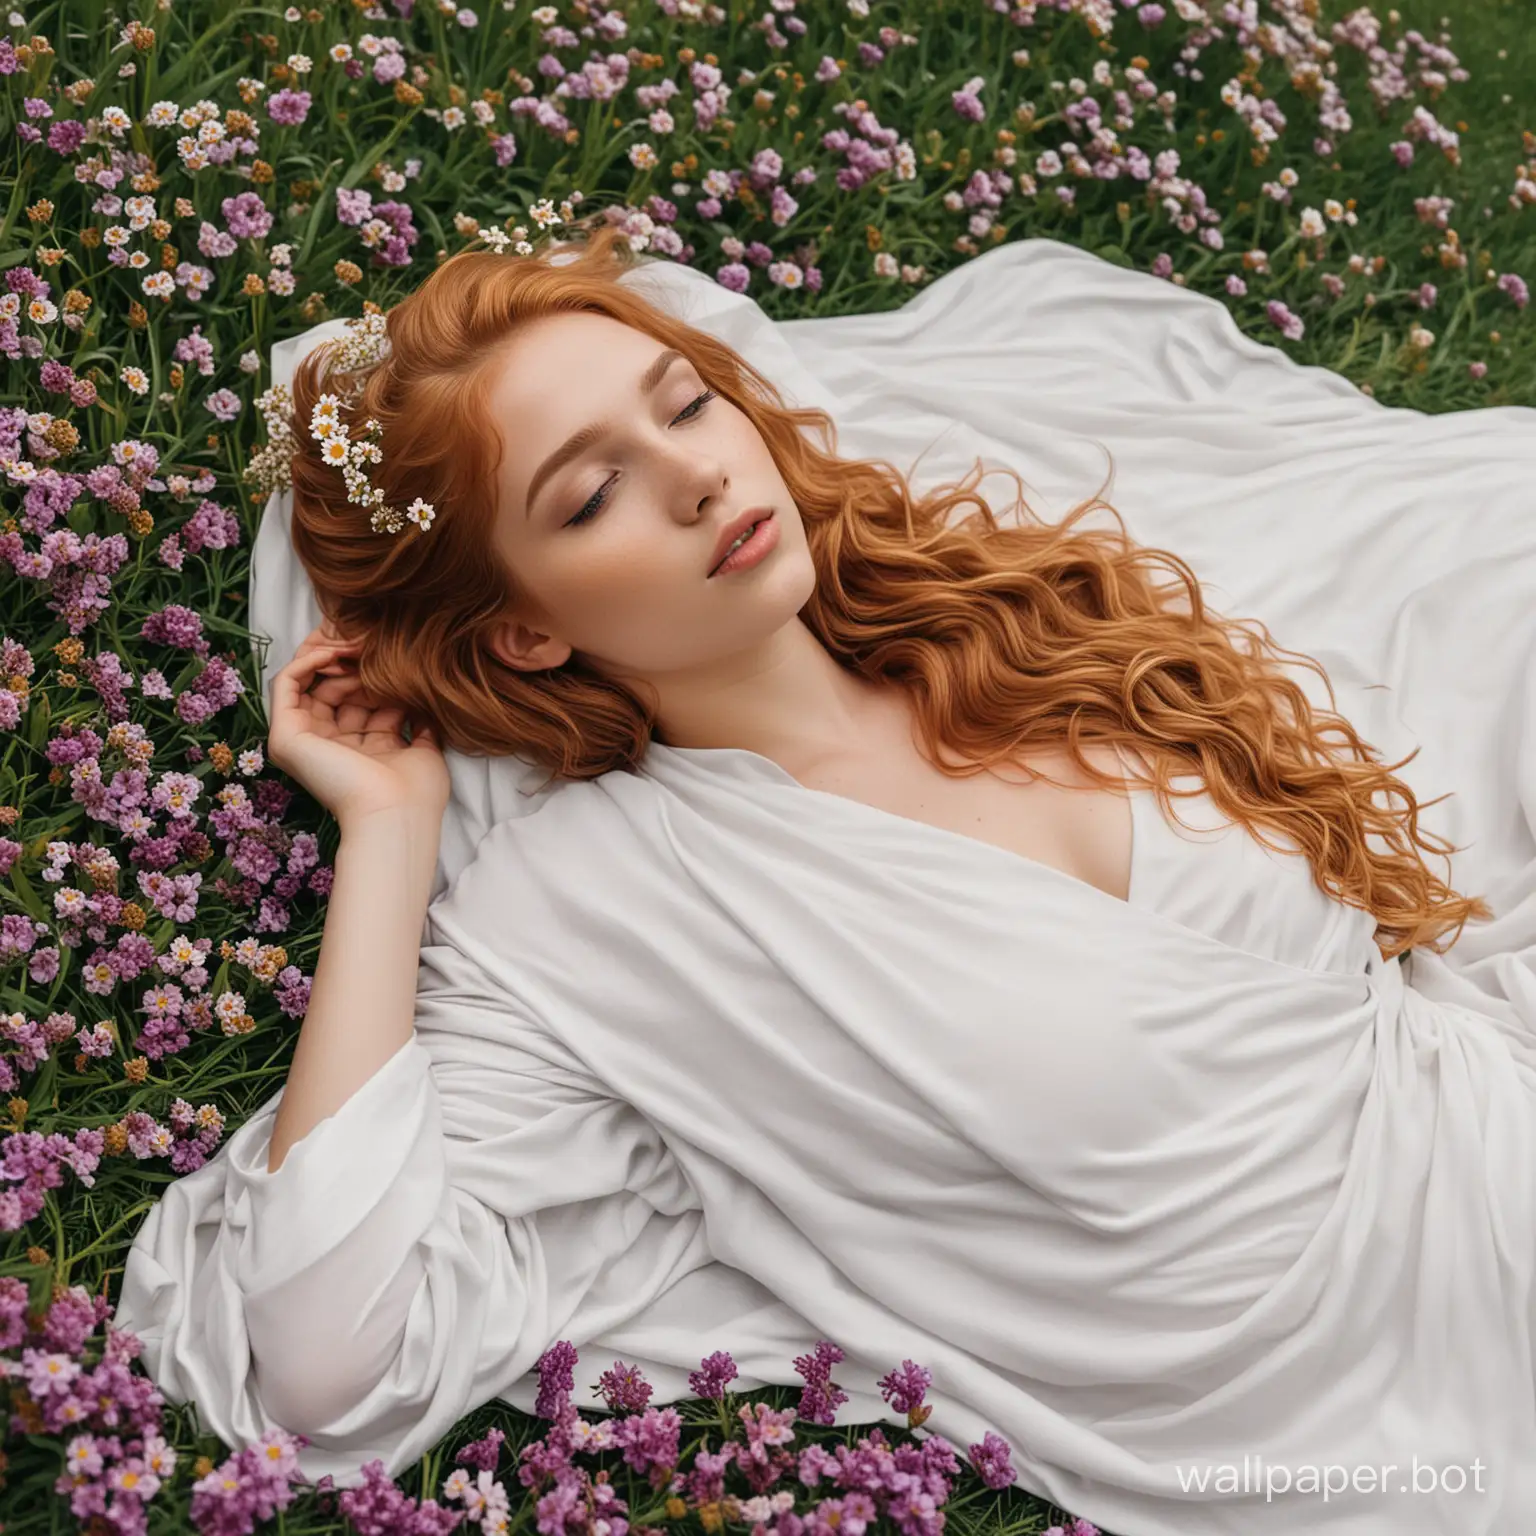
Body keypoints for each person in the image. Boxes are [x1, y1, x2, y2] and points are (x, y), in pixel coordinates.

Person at [115, 225, 1536, 1536]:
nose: (696, 477)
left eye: (684, 405)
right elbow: (320, 1355)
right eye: (594, 492)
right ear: (528, 635)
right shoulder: (595, 901)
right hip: (1372, 1386)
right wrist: (391, 832)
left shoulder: (1001, 627)